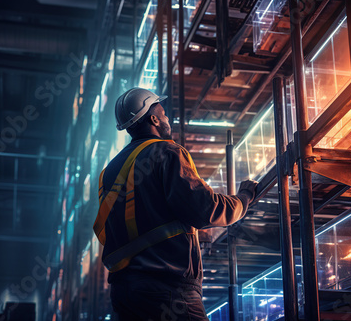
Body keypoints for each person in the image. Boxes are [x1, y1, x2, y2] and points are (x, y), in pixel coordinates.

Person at [93, 87, 259, 321]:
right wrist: (244, 198)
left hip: (125, 293)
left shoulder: (110, 171)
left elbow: (143, 221)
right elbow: (207, 210)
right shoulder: (166, 152)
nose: (167, 119)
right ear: (153, 119)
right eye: (164, 113)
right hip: (168, 289)